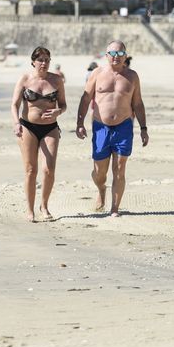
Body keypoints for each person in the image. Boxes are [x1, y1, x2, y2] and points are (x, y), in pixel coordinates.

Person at [75, 40, 147, 217]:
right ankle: (101, 190)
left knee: (120, 169)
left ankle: (115, 208)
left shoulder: (132, 76)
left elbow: (137, 103)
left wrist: (143, 128)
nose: (116, 57)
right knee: (100, 173)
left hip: (124, 127)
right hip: (101, 127)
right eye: (112, 54)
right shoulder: (97, 73)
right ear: (106, 55)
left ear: (125, 56)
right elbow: (85, 99)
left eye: (120, 54)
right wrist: (79, 123)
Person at [10, 46, 66, 222]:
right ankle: (30, 210)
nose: (44, 63)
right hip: (28, 127)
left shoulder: (57, 80)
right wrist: (16, 122)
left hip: (50, 128)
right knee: (30, 170)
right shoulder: (25, 79)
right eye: (40, 60)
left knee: (48, 170)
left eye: (47, 60)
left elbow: (63, 105)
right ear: (33, 62)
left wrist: (58, 112)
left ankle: (44, 206)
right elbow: (14, 104)